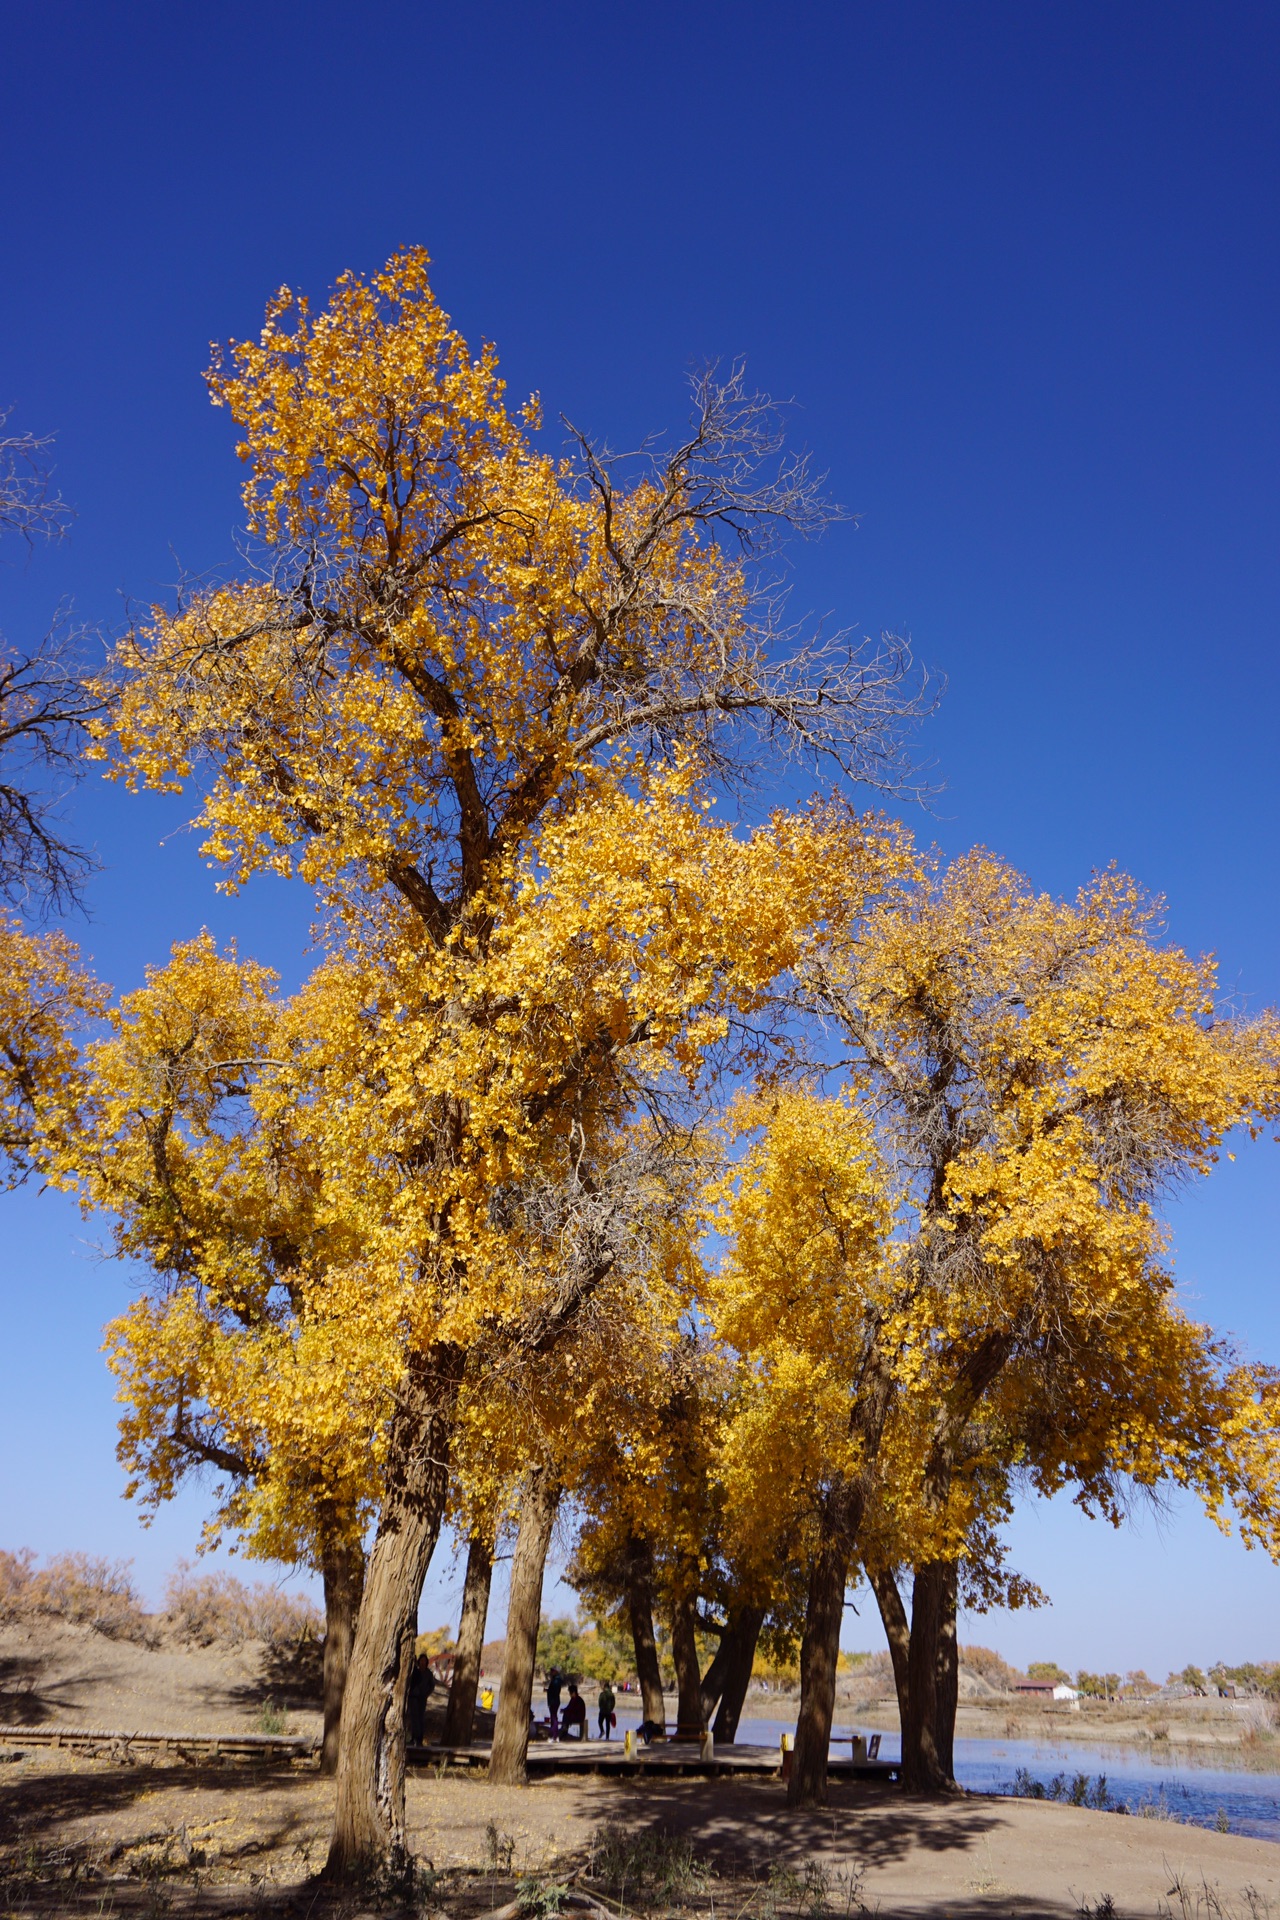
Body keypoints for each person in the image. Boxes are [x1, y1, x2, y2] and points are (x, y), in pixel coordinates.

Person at [407, 1652, 436, 1746]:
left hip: (422, 1698)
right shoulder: (415, 1671)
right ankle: (414, 1737)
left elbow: (432, 1686)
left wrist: (426, 1694)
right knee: (413, 1717)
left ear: (426, 1662)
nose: (422, 1662)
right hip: (413, 1697)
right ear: (419, 1662)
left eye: (424, 1661)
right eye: (421, 1661)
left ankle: (419, 1738)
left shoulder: (428, 1674)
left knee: (420, 1718)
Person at [546, 1666, 563, 1737]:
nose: (551, 1672)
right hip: (553, 1700)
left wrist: (549, 1691)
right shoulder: (555, 1680)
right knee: (553, 1717)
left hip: (554, 1701)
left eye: (552, 1671)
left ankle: (555, 1735)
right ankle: (553, 1733)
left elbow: (555, 1691)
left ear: (556, 1671)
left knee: (554, 1717)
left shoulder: (556, 1680)